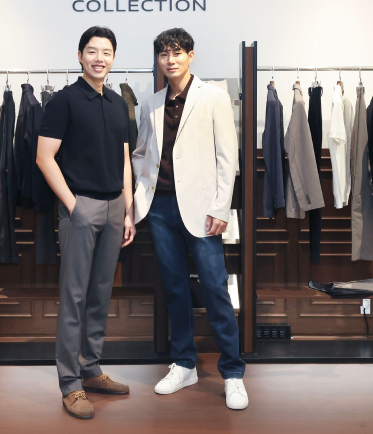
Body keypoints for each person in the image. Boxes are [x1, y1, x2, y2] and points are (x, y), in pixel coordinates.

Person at [132, 28, 248, 410]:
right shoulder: (150, 103)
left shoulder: (213, 96)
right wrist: (138, 197)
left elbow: (227, 157)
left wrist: (220, 207)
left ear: (190, 55)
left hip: (202, 210)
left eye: (177, 52)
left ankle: (233, 372)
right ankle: (184, 364)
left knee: (215, 288)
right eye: (164, 54)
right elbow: (140, 153)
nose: (170, 60)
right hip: (160, 209)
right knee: (175, 288)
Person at [37, 26, 136, 420]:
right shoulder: (64, 101)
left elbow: (124, 158)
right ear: (80, 56)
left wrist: (128, 208)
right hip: (81, 207)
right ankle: (69, 383)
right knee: (74, 297)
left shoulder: (117, 103)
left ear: (113, 58)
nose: (99, 58)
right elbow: (45, 157)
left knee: (100, 294)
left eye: (106, 52)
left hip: (115, 207)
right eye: (92, 51)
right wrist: (73, 205)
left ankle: (91, 369)